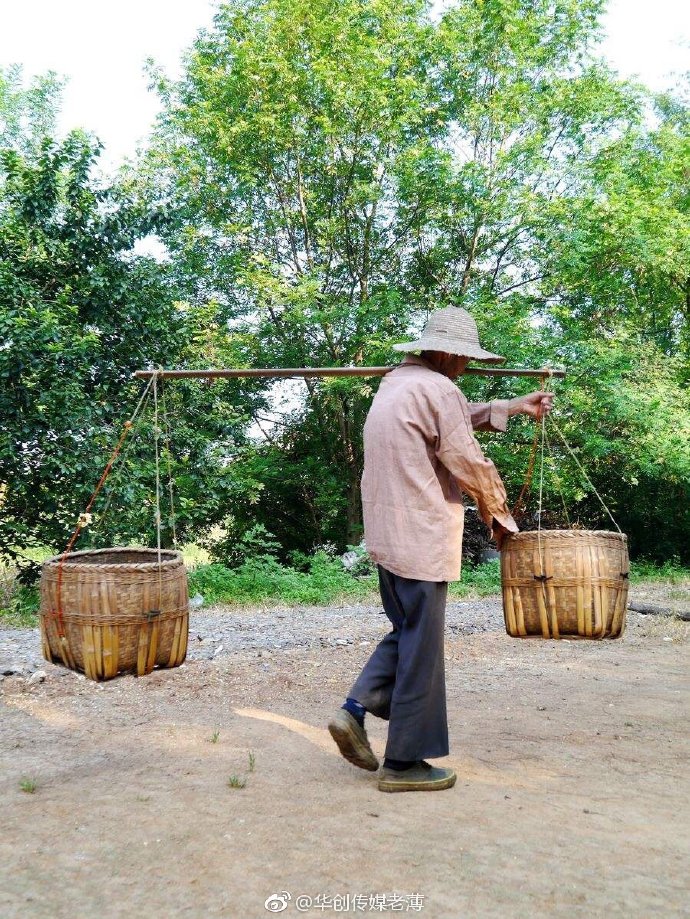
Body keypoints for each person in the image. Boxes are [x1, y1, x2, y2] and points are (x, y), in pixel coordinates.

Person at [327, 306, 554, 793]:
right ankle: (403, 764)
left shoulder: (397, 384)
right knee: (421, 648)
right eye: (465, 360)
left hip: (390, 537)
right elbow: (466, 457)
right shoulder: (439, 388)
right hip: (422, 537)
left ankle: (354, 710)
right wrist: (500, 516)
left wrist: (512, 406)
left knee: (409, 631)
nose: (467, 368)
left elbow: (449, 423)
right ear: (449, 353)